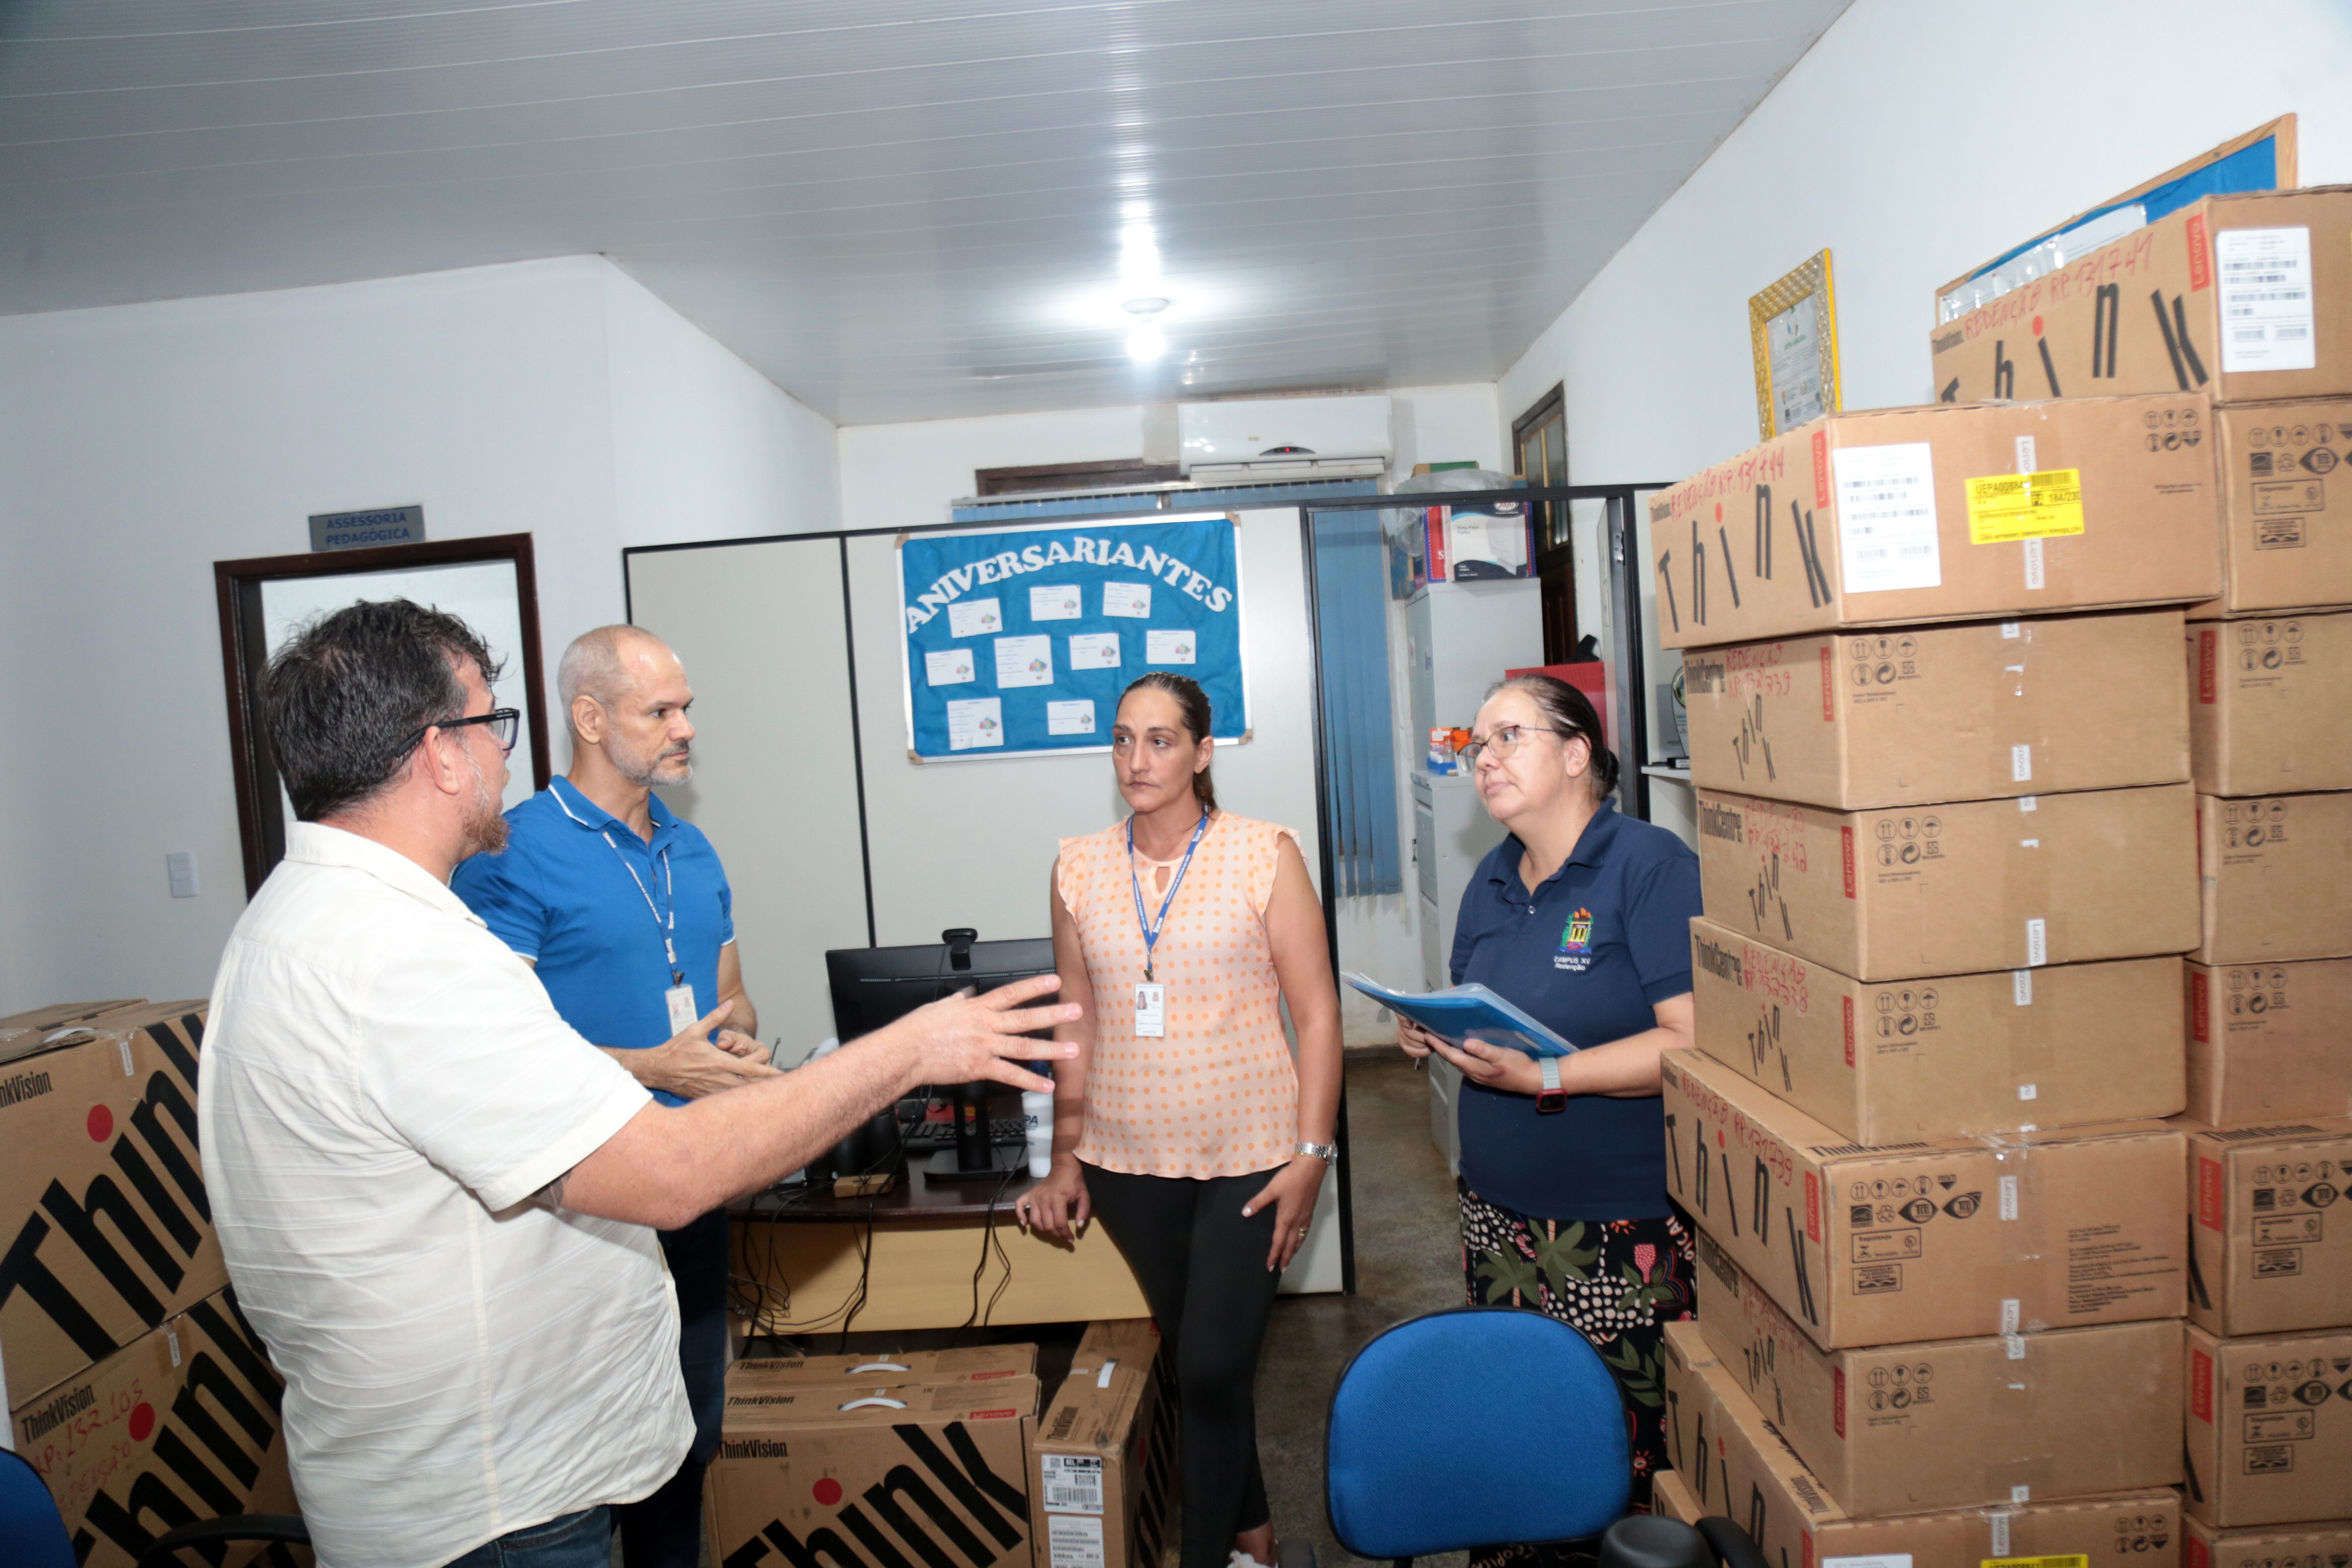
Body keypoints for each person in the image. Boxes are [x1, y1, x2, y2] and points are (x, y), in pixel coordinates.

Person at [199, 599, 1074, 1568]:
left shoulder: (292, 922)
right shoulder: (404, 954)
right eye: (493, 724)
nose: (503, 754)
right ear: (439, 753)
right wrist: (911, 1048)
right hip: (490, 1508)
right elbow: (663, 1175)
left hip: (447, 1477)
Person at [449, 623, 769, 1567]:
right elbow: (491, 1048)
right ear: (590, 718)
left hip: (696, 1185)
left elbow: (733, 989)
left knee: (686, 1437)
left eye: (687, 708)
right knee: (596, 1464)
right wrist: (651, 1066)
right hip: (580, 1209)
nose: (685, 729)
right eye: (660, 710)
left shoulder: (692, 845)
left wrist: (734, 1035)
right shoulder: (514, 852)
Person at [1020, 671, 1343, 1568]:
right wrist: (1063, 1158)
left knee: (1206, 1368)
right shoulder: (1078, 864)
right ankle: (1258, 1544)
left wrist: (1313, 1154)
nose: (1136, 758)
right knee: (1210, 1366)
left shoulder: (1261, 852)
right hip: (1127, 1159)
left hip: (1254, 1154)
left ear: (1203, 752)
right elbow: (1074, 1018)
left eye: (1160, 739)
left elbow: (1317, 1014)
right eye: (1123, 738)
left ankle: (1202, 1555)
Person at [1395, 673, 1701, 1528]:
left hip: (1619, 1232)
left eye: (1508, 737)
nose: (1484, 758)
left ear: (1576, 755)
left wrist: (1548, 1079)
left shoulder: (1650, 865)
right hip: (1497, 1221)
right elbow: (1482, 1015)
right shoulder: (1490, 879)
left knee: (1620, 1456)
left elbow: (1690, 1040)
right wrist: (1429, 1033)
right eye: (1476, 744)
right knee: (1519, 1447)